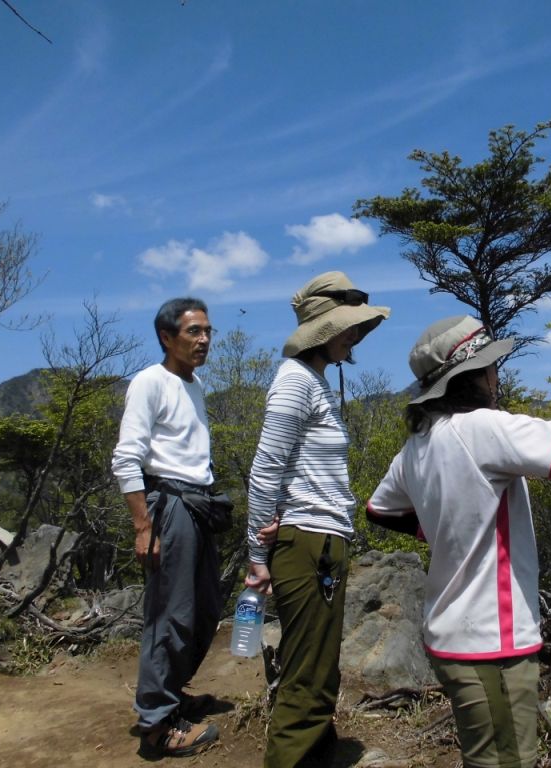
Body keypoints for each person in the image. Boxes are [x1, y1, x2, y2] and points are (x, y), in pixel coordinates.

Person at [366, 315, 551, 768]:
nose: (496, 375)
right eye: (491, 366)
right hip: (491, 644)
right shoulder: (483, 428)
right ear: (473, 376)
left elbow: (379, 510)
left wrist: (442, 529)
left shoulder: (418, 444)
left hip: (453, 635)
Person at [245, 271, 390, 768]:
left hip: (320, 537)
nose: (354, 335)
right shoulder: (294, 381)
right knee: (307, 673)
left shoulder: (315, 381)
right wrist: (256, 556)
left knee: (319, 667)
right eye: (346, 327)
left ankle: (318, 754)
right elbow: (266, 466)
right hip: (307, 542)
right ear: (322, 331)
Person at [111, 297, 223, 759]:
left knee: (205, 609)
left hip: (198, 503)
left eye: (207, 331)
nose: (204, 340)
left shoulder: (194, 385)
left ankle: (172, 693)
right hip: (169, 505)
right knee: (170, 614)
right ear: (166, 337)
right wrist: (143, 525)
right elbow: (126, 456)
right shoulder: (149, 382)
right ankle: (157, 726)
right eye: (194, 332)